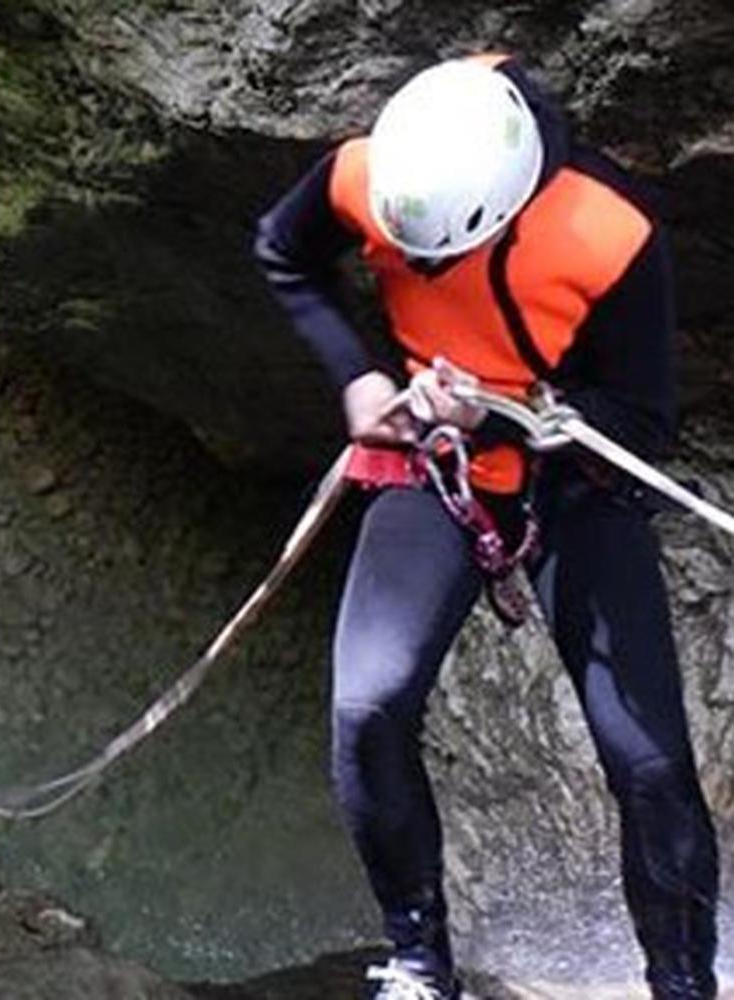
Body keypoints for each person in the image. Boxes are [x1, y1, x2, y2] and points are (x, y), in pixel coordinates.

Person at [254, 55, 717, 999]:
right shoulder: (373, 171)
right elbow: (283, 250)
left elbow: (641, 421)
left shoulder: (606, 231)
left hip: (570, 481)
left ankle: (679, 984)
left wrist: (507, 410)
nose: (416, 271)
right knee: (368, 706)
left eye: (434, 259)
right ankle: (420, 959)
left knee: (648, 758)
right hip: (440, 465)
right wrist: (361, 374)